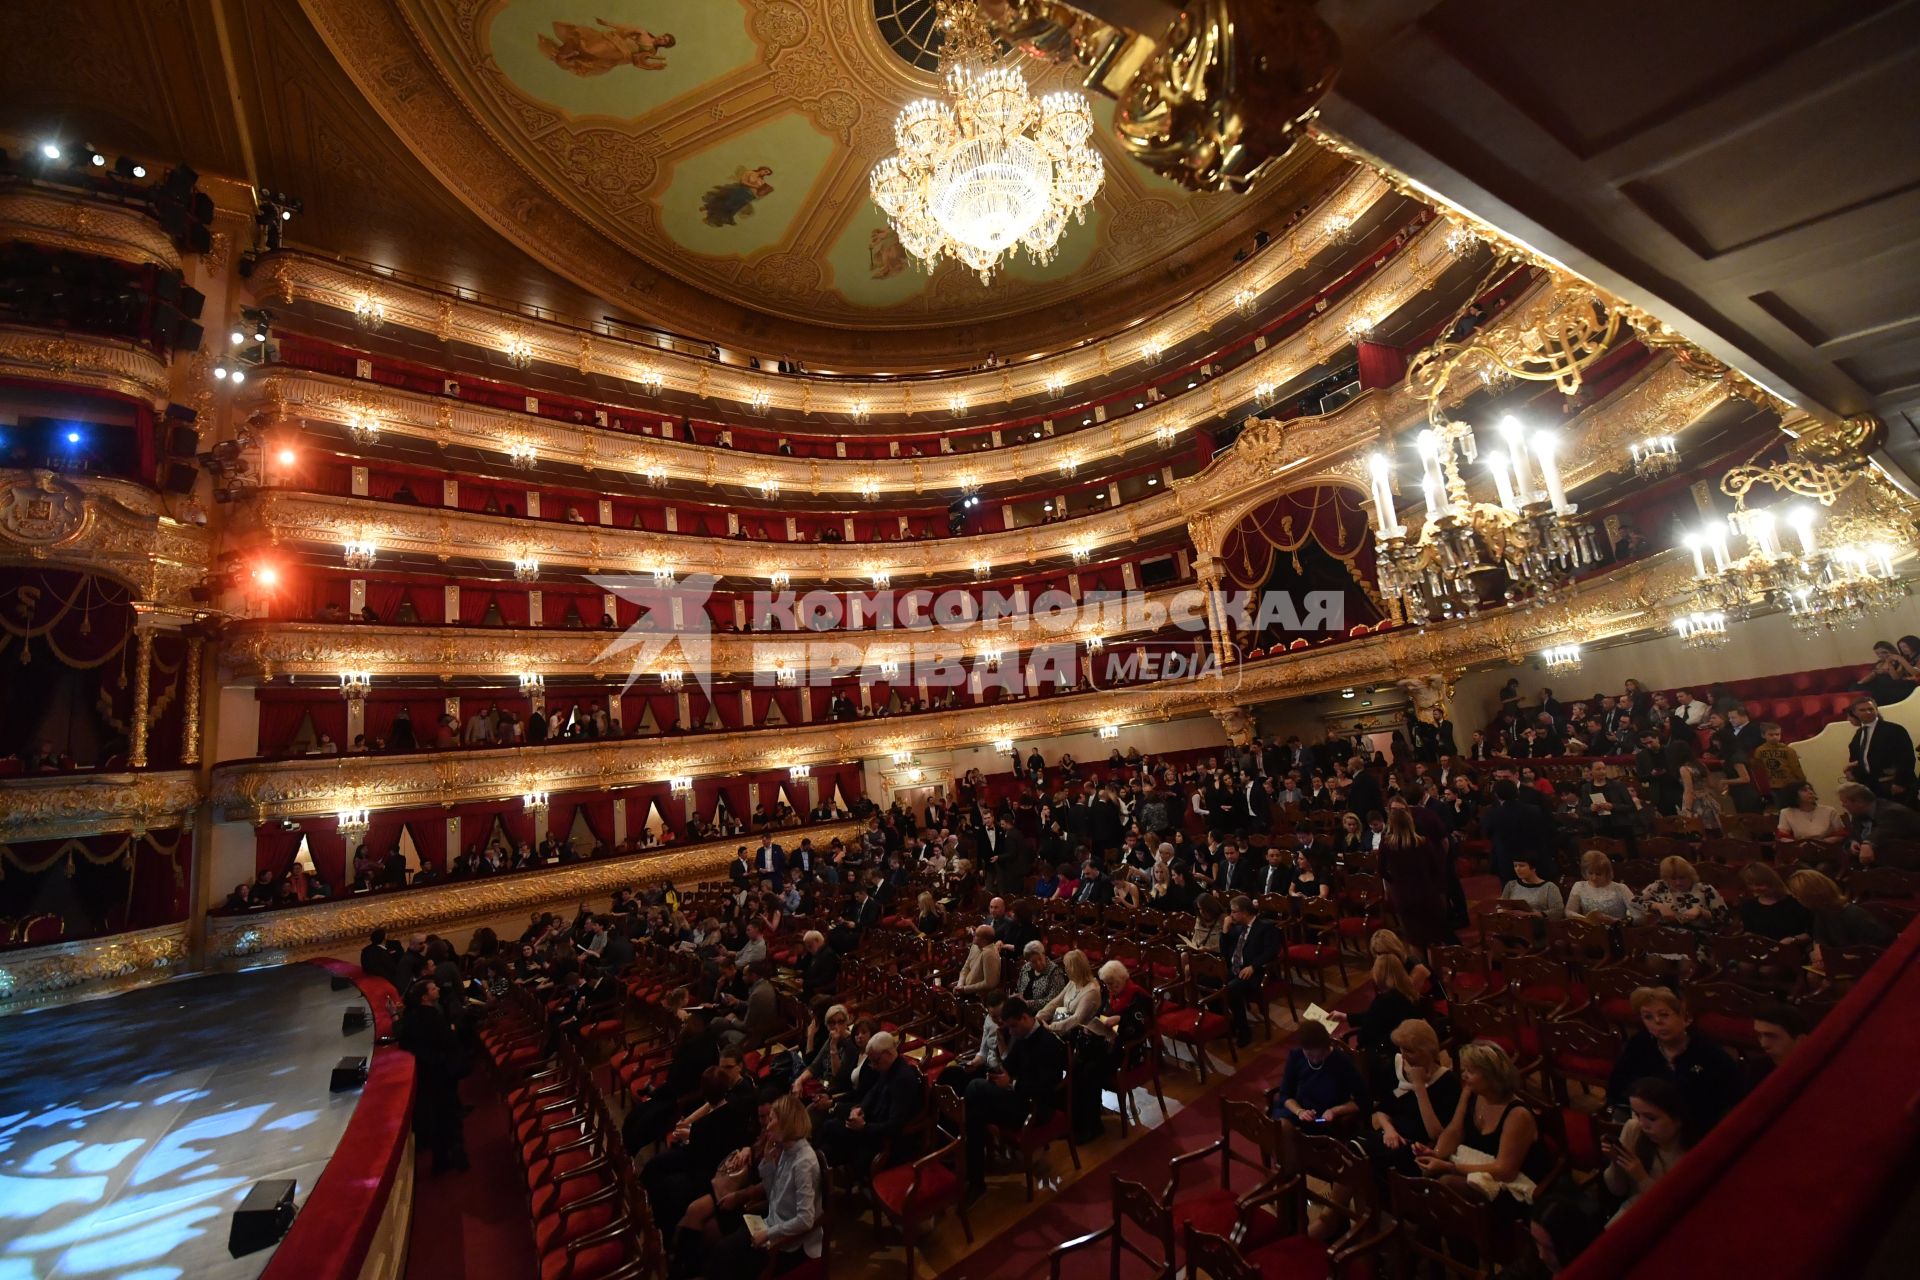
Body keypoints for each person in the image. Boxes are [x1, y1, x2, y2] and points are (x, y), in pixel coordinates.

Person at [1414, 1041, 1551, 1213]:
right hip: (1480, 1172)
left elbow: (1505, 1171)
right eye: (1464, 1070)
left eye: (1470, 1071)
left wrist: (1448, 1166)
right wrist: (1436, 1154)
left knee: (1446, 1185)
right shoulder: (1471, 1092)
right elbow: (1454, 1131)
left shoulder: (1518, 1115)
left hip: (1513, 1187)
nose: (1463, 1076)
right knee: (1426, 1176)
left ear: (1493, 1076)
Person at [705, 1094, 824, 1276]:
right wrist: (768, 1160)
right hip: (773, 1223)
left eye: (772, 1120)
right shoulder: (785, 1149)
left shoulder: (803, 1162)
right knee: (723, 1249)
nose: (767, 1126)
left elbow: (805, 1220)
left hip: (790, 1244)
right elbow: (772, 1194)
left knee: (729, 1259)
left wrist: (768, 1234)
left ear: (786, 1122)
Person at [963, 996, 1065, 1200]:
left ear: (1026, 1018)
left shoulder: (1049, 1043)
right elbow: (1009, 1065)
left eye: (1013, 1027)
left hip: (1038, 1108)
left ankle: (972, 1171)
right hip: (1019, 1099)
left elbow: (1047, 1089)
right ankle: (975, 1179)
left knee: (974, 1091)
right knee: (974, 1112)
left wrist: (1012, 1084)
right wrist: (997, 1076)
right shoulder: (1021, 1036)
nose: (1011, 1032)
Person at [1606, 987, 1744, 1130]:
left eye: (1664, 1015)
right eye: (1648, 1017)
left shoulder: (1709, 1053)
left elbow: (1732, 1100)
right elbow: (1618, 1087)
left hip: (1695, 1130)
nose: (1657, 1021)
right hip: (1643, 1123)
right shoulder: (1639, 1044)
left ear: (1686, 1018)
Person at [1367, 1018, 1462, 1179]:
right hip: (1390, 1136)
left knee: (1367, 1161)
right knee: (1353, 1154)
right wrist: (1389, 1131)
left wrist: (1419, 1087)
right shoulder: (1396, 1067)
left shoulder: (1447, 1082)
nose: (1403, 1056)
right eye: (1401, 1049)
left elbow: (1436, 1134)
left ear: (1427, 1051)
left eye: (1409, 1051)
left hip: (1418, 1147)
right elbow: (1382, 1109)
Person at [1602, 1076, 1697, 1222]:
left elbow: (1673, 1207)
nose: (1642, 1124)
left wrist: (1642, 1178)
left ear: (1677, 1120)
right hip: (1633, 1210)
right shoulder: (1633, 1129)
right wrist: (1616, 1163)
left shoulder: (1690, 1153)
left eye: (1651, 1118)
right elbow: (1617, 1190)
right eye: (1637, 1114)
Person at [398, 979, 468, 1173]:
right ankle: (455, 1158)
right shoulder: (432, 1016)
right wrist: (452, 1030)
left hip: (427, 1072)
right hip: (441, 1071)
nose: (438, 989)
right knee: (449, 1116)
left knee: (438, 1116)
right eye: (433, 988)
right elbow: (446, 1040)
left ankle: (442, 1161)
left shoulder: (412, 1017)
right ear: (425, 997)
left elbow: (405, 1043)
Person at [1271, 1019, 1367, 1130]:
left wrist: (1335, 1111)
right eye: (1310, 1055)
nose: (1315, 1060)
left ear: (1327, 1046)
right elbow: (1285, 1094)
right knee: (1281, 1126)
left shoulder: (1341, 1061)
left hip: (1328, 1117)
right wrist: (1299, 1111)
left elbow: (1362, 1100)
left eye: (1321, 1054)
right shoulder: (1296, 1056)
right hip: (1300, 1111)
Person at [1379, 807, 1453, 949]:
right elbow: (1436, 868)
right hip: (1426, 892)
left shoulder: (1386, 844)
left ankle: (1421, 968)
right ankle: (1434, 969)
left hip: (1402, 895)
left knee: (1413, 938)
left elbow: (1381, 870)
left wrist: (1395, 881)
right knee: (1433, 937)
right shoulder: (1422, 843)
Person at [1220, 894, 1280, 1046]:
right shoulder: (1237, 928)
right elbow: (1224, 951)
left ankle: (1243, 1030)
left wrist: (1253, 966)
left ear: (1245, 912)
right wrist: (1225, 931)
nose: (1230, 915)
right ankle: (1229, 1022)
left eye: (1233, 912)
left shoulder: (1265, 927)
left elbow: (1271, 951)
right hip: (1234, 969)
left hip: (1254, 973)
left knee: (1232, 989)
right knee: (1205, 980)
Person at [1787, 869, 1897, 949]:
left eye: (1798, 895)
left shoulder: (1854, 915)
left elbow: (1874, 949)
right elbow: (1819, 938)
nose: (1796, 898)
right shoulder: (1820, 911)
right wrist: (1818, 951)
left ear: (1813, 896)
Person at [1835, 781, 1920, 868]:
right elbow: (1853, 834)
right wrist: (1853, 842)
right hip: (1881, 863)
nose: (1843, 805)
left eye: (1845, 802)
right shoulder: (1858, 814)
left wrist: (1868, 843)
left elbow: (1885, 829)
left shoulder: (1891, 811)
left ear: (1859, 802)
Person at [1846, 696, 1915, 799]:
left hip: (1894, 784)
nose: (1868, 712)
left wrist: (1900, 783)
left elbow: (1907, 758)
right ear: (1855, 713)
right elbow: (1861, 759)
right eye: (1862, 710)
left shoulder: (1894, 729)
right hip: (1872, 787)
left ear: (1876, 710)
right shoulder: (1859, 734)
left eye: (1870, 709)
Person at [1635, 855, 1729, 931]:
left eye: (1682, 877)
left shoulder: (1705, 889)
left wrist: (1702, 912)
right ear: (1666, 878)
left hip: (1696, 937)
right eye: (1673, 878)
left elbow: (1726, 920)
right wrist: (1658, 906)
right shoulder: (1660, 886)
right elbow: (1634, 901)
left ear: (1690, 874)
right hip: (1665, 935)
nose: (1678, 883)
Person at [1735, 863, 1813, 941]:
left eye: (1760, 884)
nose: (1755, 888)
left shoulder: (1795, 902)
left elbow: (1811, 933)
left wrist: (1793, 939)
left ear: (1771, 882)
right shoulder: (1748, 907)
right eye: (1750, 884)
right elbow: (1749, 931)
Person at [1565, 850, 1634, 921]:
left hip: (1616, 929)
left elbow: (1639, 917)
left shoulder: (1621, 888)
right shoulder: (1579, 886)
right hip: (1589, 929)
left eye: (1598, 874)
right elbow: (1569, 912)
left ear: (1607, 873)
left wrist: (1612, 920)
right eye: (1590, 873)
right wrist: (1585, 919)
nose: (1594, 878)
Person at [1776, 781, 1847, 847]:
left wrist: (1821, 843)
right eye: (1804, 790)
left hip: (1827, 848)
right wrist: (1801, 846)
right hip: (1801, 850)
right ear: (1793, 794)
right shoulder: (1786, 812)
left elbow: (1841, 834)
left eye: (1810, 789)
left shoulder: (1829, 810)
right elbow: (1783, 836)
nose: (1810, 792)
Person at [1501, 855, 1566, 920]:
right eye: (1515, 866)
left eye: (1522, 866)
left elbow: (1558, 911)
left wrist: (1529, 915)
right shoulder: (1511, 885)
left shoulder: (1549, 887)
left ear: (1533, 868)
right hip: (1513, 923)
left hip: (1539, 925)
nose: (1517, 869)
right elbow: (1501, 906)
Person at [1015, 940, 1066, 1007]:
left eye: (1040, 959)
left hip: (1042, 1012)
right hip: (1022, 1008)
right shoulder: (1026, 968)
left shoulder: (1055, 972)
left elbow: (1054, 1000)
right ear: (1028, 961)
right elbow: (1019, 988)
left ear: (1044, 955)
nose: (1038, 963)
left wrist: (1029, 1004)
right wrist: (1018, 996)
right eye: (1034, 961)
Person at [955, 924, 1003, 995]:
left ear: (984, 940)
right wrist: (960, 985)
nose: (973, 935)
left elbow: (990, 983)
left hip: (977, 994)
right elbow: (966, 967)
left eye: (976, 935)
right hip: (965, 988)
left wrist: (965, 989)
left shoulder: (990, 954)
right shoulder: (975, 946)